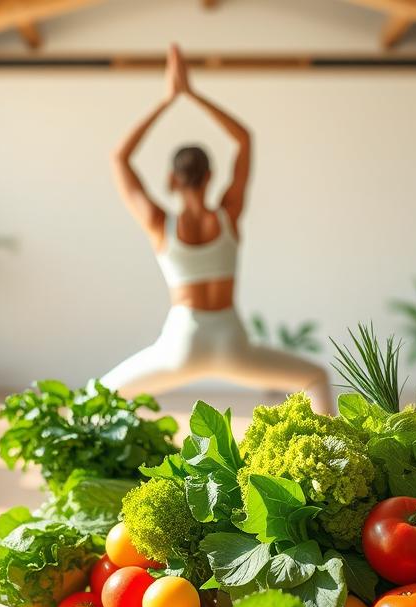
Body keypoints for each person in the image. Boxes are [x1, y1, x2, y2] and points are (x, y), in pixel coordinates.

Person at [101, 44, 331, 412]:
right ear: (210, 176)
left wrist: (168, 99)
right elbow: (244, 138)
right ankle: (331, 462)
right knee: (315, 377)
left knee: (99, 394)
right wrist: (193, 95)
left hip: (181, 342)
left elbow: (118, 157)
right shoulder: (228, 214)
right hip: (231, 339)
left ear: (172, 180)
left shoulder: (160, 223)